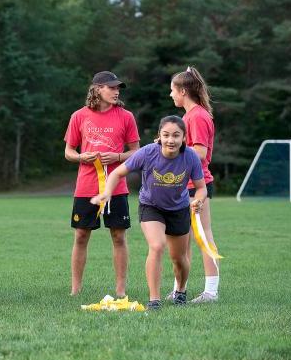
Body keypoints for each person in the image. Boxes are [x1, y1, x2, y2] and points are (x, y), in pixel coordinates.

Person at [92, 115, 206, 309]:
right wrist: (107, 192)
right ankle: (154, 300)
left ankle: (181, 290)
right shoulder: (147, 153)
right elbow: (117, 173)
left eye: (176, 135)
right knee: (157, 245)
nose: (171, 140)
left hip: (179, 209)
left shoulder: (190, 156)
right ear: (159, 136)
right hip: (151, 206)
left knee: (179, 259)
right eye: (166, 135)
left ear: (184, 138)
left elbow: (201, 187)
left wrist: (198, 200)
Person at [64, 71, 140, 297]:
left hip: (116, 187)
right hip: (86, 187)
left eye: (118, 88)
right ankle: (75, 289)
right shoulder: (79, 116)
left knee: (118, 236)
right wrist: (81, 157)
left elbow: (136, 152)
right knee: (81, 235)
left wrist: (117, 158)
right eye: (112, 88)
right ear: (97, 89)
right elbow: (68, 151)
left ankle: (120, 290)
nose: (117, 92)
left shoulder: (126, 116)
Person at [167, 66, 220, 303]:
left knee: (203, 236)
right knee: (183, 239)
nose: (171, 95)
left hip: (196, 185)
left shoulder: (197, 116)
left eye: (173, 90)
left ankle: (211, 292)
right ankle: (180, 290)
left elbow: (199, 153)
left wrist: (168, 147)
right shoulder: (188, 116)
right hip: (183, 185)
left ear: (183, 91)